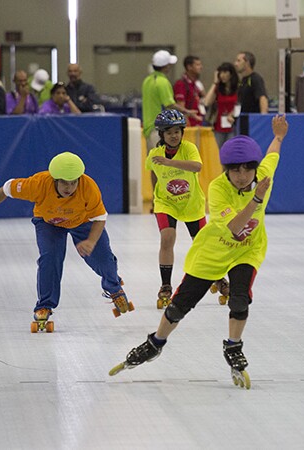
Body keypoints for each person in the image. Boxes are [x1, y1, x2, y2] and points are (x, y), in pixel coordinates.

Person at [109, 115, 289, 390]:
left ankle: (233, 346)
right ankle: (156, 342)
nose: (242, 176)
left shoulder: (262, 176)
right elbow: (234, 227)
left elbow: (272, 156)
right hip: (213, 252)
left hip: (247, 251)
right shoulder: (217, 188)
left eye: (247, 170)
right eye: (235, 171)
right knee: (180, 307)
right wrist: (256, 198)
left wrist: (278, 137)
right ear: (226, 170)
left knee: (240, 299)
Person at [0, 152, 133, 326]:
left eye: (73, 182)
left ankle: (113, 288)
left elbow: (100, 217)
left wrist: (91, 241)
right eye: (64, 183)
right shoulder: (38, 184)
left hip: (83, 222)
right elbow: (6, 189)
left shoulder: (88, 186)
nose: (69, 188)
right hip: (49, 223)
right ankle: (44, 305)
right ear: (54, 179)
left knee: (103, 259)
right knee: (50, 258)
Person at [146, 110, 228, 308]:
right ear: (162, 135)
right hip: (166, 203)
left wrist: (170, 162)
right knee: (167, 238)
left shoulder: (189, 148)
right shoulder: (155, 154)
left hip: (191, 203)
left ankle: (217, 277)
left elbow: (196, 167)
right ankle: (166, 285)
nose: (174, 135)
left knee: (202, 244)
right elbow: (153, 173)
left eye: (177, 131)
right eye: (169, 132)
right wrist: (154, 197)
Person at [142, 50, 199, 151]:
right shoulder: (162, 82)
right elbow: (170, 104)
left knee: (154, 162)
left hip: (148, 127)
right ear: (166, 66)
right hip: (159, 128)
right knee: (164, 162)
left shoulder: (147, 80)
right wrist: (188, 112)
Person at [203, 62, 239, 148]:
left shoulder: (238, 88)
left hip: (233, 124)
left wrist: (233, 114)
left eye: (225, 72)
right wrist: (215, 83)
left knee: (231, 149)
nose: (222, 75)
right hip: (218, 126)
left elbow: (239, 104)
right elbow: (207, 102)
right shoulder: (218, 88)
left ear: (231, 74)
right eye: (221, 73)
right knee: (219, 152)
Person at [173, 55, 205, 126]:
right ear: (189, 67)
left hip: (197, 123)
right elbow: (181, 107)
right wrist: (187, 125)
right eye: (197, 65)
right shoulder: (181, 84)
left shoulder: (194, 84)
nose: (201, 67)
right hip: (189, 125)